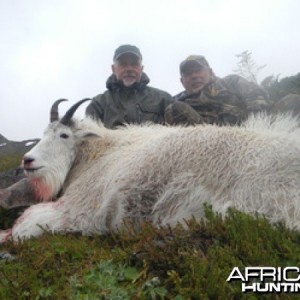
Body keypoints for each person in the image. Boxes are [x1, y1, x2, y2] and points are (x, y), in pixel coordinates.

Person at [165, 55, 271, 126]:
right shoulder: (174, 105)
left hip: (248, 140)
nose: (194, 75)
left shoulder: (232, 83)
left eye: (198, 70)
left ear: (211, 72)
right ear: (182, 81)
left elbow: (259, 101)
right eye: (188, 73)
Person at [85, 44, 173, 128]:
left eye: (135, 64)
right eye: (123, 64)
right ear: (113, 69)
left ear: (141, 69)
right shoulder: (98, 104)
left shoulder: (164, 99)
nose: (129, 69)